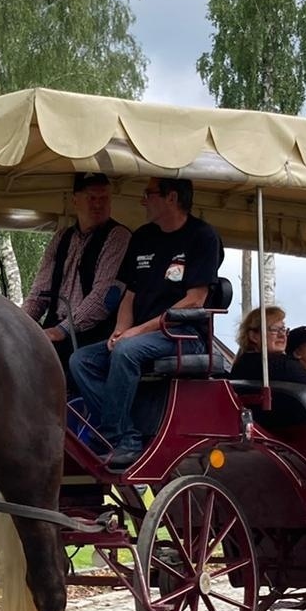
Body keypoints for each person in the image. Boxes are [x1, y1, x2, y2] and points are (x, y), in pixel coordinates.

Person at [69, 176, 223, 469]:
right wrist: (120, 330)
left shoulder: (203, 237)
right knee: (81, 360)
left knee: (127, 351)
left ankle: (122, 439)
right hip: (141, 335)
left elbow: (195, 299)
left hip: (183, 335)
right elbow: (129, 294)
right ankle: (121, 430)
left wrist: (136, 332)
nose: (142, 201)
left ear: (172, 198)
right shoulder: (143, 237)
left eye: (148, 194)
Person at [22, 173, 132, 371]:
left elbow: (103, 299)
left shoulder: (118, 237)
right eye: (92, 198)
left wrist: (61, 330)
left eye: (104, 198)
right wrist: (18, 321)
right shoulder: (62, 237)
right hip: (57, 326)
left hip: (94, 333)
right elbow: (39, 293)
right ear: (75, 201)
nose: (98, 204)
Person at [231, 306, 306, 389]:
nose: (282, 335)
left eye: (283, 329)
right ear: (254, 336)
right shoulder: (282, 366)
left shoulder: (241, 364)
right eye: (274, 329)